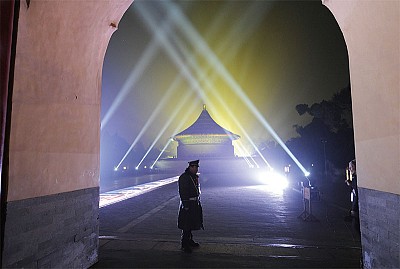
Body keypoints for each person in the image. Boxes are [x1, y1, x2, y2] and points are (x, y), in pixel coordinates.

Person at [177, 160, 204, 253]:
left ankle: (190, 240)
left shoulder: (193, 177)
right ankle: (184, 243)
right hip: (188, 204)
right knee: (186, 225)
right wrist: (186, 205)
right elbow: (183, 191)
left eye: (197, 167)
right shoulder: (185, 177)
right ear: (190, 167)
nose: (196, 169)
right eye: (195, 167)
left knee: (191, 223)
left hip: (194, 203)